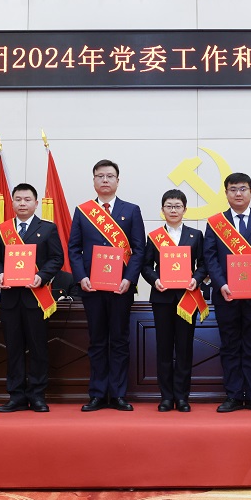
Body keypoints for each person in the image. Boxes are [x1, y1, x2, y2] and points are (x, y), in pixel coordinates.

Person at [68, 159, 146, 412]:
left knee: (120, 340)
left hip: (121, 287)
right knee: (97, 341)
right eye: (100, 176)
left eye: (109, 176)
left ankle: (119, 394)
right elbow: (74, 249)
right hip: (92, 287)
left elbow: (139, 249)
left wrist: (129, 279)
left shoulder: (131, 210)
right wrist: (81, 277)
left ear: (117, 181)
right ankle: (98, 394)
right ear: (93, 181)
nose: (104, 180)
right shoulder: (83, 211)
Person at [204, 172, 251, 413]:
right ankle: (234, 396)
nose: (238, 193)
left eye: (243, 189)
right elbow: (210, 257)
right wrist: (221, 284)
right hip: (226, 295)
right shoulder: (215, 223)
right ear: (226, 193)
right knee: (230, 346)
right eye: (233, 189)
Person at [0, 183, 64, 413]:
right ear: (12, 203)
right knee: (14, 348)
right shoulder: (3, 229)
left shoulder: (48, 229)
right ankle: (16, 396)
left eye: (27, 199)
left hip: (36, 298)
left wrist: (42, 276)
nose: (22, 203)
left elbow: (57, 258)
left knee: (38, 348)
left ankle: (37, 395)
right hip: (10, 299)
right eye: (18, 199)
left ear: (36, 203)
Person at [141, 189, 208, 412]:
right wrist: (155, 280)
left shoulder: (195, 235)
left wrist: (196, 279)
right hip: (162, 298)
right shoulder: (154, 236)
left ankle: (182, 397)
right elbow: (145, 266)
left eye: (177, 206)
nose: (173, 210)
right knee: (164, 348)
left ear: (185, 209)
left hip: (187, 298)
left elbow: (203, 264)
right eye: (169, 206)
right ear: (162, 210)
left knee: (184, 349)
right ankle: (166, 398)